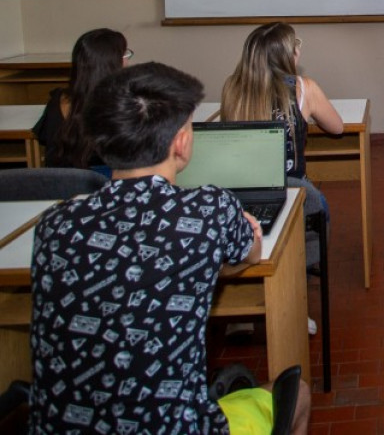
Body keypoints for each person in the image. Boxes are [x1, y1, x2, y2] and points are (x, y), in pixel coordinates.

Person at [29, 62, 311, 434]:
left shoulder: (54, 224)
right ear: (181, 141)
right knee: (298, 394)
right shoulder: (209, 210)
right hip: (175, 427)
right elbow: (252, 254)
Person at [221, 22, 343, 271]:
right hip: (293, 187)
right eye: (295, 46)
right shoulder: (303, 87)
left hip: (242, 189)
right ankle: (306, 267)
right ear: (288, 55)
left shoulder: (232, 88)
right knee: (320, 204)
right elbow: (337, 127)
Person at [32, 27, 131, 171]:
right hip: (106, 187)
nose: (127, 62)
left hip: (61, 186)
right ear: (113, 64)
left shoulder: (57, 100)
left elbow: (47, 145)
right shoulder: (124, 104)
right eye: (125, 55)